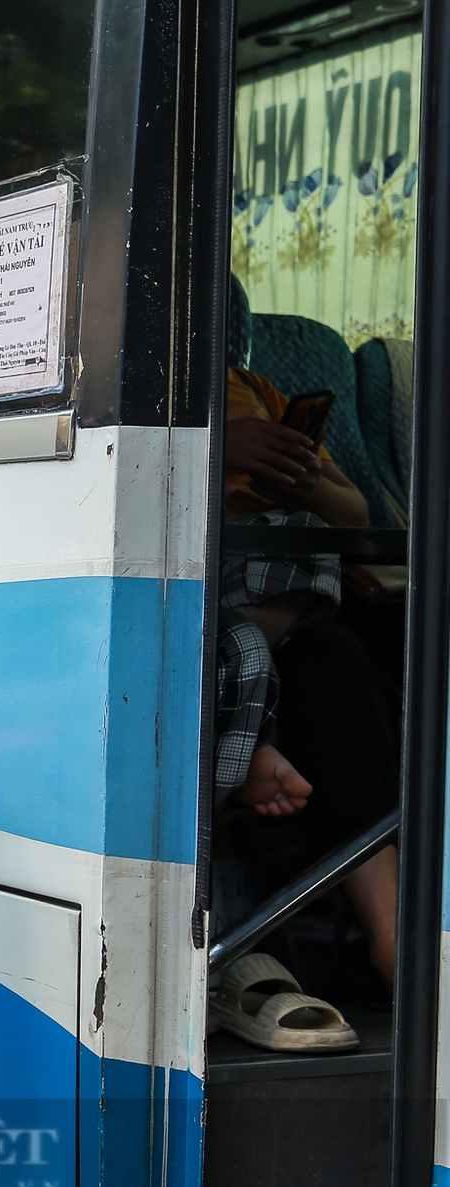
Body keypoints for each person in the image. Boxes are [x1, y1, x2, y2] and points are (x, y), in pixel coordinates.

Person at [215, 361, 400, 983]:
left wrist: (307, 483)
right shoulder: (133, 381)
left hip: (302, 599)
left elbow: (354, 511)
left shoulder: (262, 389)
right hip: (209, 585)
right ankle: (392, 933)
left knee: (374, 648)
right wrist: (220, 445)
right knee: (331, 662)